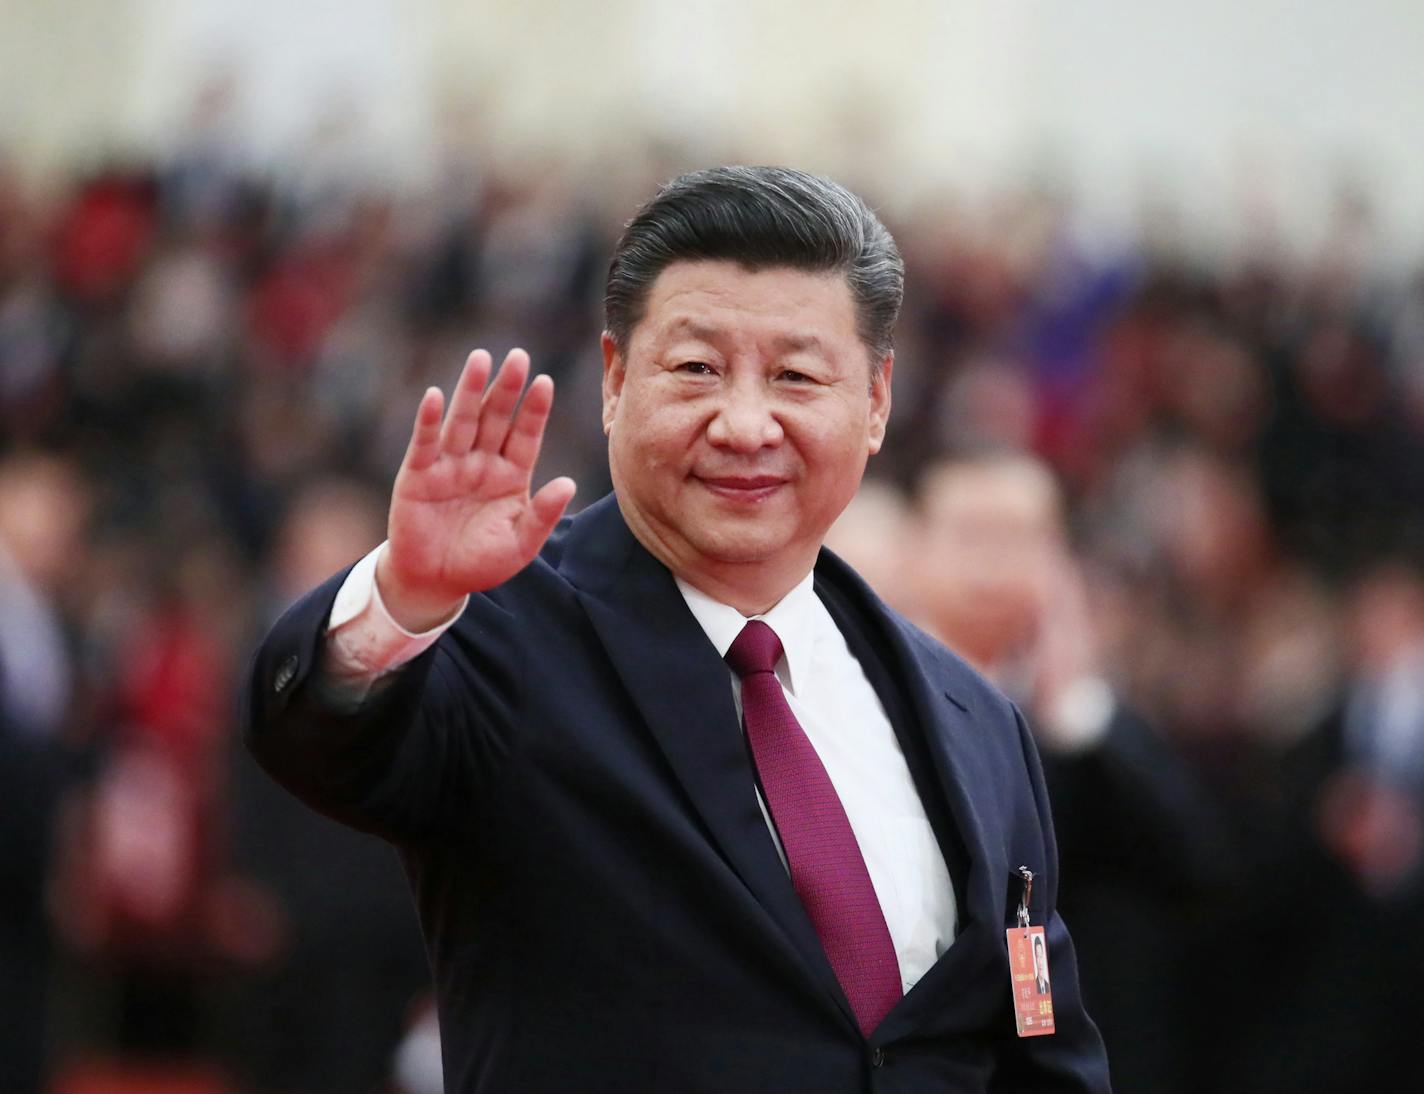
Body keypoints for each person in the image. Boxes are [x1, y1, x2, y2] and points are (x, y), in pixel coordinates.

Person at [245, 166, 1110, 1093]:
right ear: (615, 381)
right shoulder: (498, 638)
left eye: (796, 376)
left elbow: (1039, 1044)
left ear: (877, 401)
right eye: (697, 368)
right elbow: (317, 736)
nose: (744, 423)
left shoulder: (974, 717)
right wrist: (403, 595)